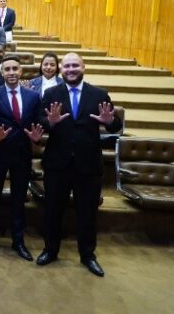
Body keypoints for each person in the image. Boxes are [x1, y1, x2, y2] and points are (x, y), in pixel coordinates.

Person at [37, 53, 122, 277]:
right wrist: (50, 123)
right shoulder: (51, 93)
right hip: (58, 163)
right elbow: (41, 122)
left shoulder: (99, 94)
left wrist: (110, 121)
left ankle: (87, 255)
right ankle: (50, 250)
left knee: (87, 213)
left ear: (84, 67)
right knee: (53, 211)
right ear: (61, 69)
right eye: (67, 66)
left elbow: (116, 125)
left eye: (75, 65)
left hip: (88, 165)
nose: (71, 69)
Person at [0, 55, 44, 261]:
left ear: (21, 71)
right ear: (2, 72)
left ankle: (18, 241)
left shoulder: (33, 97)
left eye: (14, 68)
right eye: (6, 69)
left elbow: (37, 124)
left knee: (19, 200)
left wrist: (38, 136)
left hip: (22, 155)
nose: (10, 72)